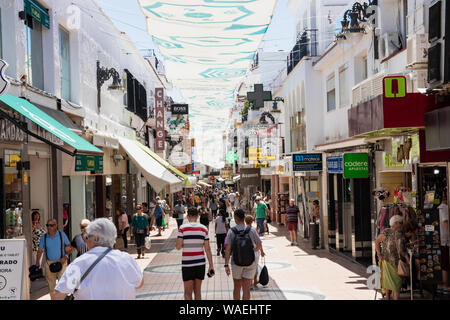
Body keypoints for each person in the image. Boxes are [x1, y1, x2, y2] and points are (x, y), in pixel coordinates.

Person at [52, 218, 144, 300]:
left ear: (95, 239)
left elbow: (58, 295)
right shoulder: (126, 259)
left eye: (87, 237)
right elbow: (139, 283)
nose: (85, 240)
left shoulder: (80, 263)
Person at [176, 207, 214, 300]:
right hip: (200, 263)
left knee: (188, 293)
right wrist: (211, 265)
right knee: (198, 292)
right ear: (198, 216)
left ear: (187, 216)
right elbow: (207, 249)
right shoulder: (204, 229)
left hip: (187, 264)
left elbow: (178, 247)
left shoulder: (182, 228)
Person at [224, 209, 262, 300]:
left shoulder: (231, 231)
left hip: (236, 262)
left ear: (235, 218)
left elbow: (228, 249)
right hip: (250, 262)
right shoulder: (251, 230)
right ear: (244, 218)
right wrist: (251, 252)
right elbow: (259, 245)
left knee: (237, 287)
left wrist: (226, 264)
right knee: (246, 289)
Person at [375, 215, 409, 300]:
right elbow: (401, 249)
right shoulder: (399, 233)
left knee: (390, 283)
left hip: (386, 260)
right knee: (396, 284)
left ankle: (388, 298)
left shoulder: (386, 231)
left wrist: (379, 254)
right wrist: (407, 258)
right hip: (396, 262)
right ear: (396, 223)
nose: (402, 225)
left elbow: (377, 241)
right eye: (401, 223)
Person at [35, 219, 72, 295]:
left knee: (63, 286)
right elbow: (40, 250)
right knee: (51, 288)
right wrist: (37, 262)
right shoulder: (44, 237)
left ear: (56, 226)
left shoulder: (62, 235)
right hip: (49, 264)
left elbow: (69, 247)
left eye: (51, 225)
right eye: (47, 225)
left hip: (62, 262)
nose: (49, 227)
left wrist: (65, 257)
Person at [244, 215, 266, 289]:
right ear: (252, 221)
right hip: (254, 253)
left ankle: (252, 282)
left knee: (248, 268)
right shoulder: (253, 230)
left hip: (246, 252)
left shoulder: (243, 229)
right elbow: (259, 243)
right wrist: (261, 251)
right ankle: (253, 282)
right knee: (254, 267)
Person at [438, 196, 449, 289]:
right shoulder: (444, 208)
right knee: (445, 262)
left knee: (443, 262)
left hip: (441, 239)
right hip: (445, 240)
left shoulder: (438, 208)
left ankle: (442, 284)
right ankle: (445, 285)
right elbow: (445, 222)